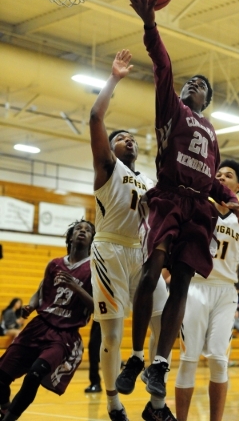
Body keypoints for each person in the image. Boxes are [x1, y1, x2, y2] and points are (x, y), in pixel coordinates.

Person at [116, 0, 239, 415]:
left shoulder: (210, 132)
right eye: (193, 82)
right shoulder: (172, 108)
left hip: (198, 208)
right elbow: (163, 66)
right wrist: (151, 24)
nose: (195, 85)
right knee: (153, 271)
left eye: (203, 87)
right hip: (168, 199)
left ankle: (157, 362)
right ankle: (135, 354)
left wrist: (231, 199)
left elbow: (211, 178)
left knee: (184, 284)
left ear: (208, 101)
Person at [89, 49, 170, 421]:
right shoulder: (107, 167)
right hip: (109, 251)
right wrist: (114, 79)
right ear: (112, 146)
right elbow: (95, 117)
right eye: (121, 137)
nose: (128, 140)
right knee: (112, 337)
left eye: (132, 138)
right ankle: (112, 403)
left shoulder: (149, 182)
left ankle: (155, 404)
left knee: (164, 319)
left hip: (141, 255)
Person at [174, 159, 239, 421]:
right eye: (217, 174)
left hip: (225, 292)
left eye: (228, 175)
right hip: (196, 287)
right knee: (188, 360)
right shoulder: (196, 206)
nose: (221, 177)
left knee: (219, 361)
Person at [0, 220, 95, 421]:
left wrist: (76, 288)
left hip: (63, 335)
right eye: (79, 228)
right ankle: (5, 407)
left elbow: (97, 307)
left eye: (88, 230)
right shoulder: (54, 264)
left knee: (34, 375)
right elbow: (41, 291)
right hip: (39, 326)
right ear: (70, 237)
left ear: (92, 240)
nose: (83, 231)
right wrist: (31, 306)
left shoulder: (95, 270)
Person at [84, 320, 102, 393]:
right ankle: (95, 382)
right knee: (93, 348)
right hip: (98, 319)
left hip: (106, 319)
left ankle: (96, 382)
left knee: (94, 348)